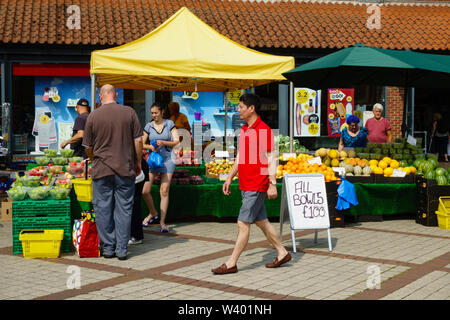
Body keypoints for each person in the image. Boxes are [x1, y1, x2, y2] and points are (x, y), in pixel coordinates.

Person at [211, 93, 291, 275]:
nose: (238, 110)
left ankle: (231, 263)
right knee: (262, 221)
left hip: (257, 183)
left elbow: (272, 158)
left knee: (242, 223)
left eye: (240, 107)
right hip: (246, 183)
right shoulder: (245, 130)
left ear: (251, 108)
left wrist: (271, 183)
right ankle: (282, 252)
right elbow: (240, 156)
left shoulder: (264, 130)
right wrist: (230, 176)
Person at [82, 84, 143, 261]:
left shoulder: (93, 115)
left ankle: (108, 248)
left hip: (101, 169)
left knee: (103, 209)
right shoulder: (129, 112)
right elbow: (138, 142)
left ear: (101, 97)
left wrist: (94, 159)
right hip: (125, 168)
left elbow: (87, 147)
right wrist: (138, 161)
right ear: (116, 95)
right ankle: (122, 249)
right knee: (124, 209)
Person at [141, 103, 180, 233]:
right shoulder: (149, 126)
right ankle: (153, 213)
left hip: (168, 159)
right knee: (145, 190)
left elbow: (176, 141)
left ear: (162, 112)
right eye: (152, 113)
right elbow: (141, 143)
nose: (154, 116)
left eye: (156, 113)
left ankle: (162, 222)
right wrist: (150, 147)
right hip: (153, 160)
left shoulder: (170, 124)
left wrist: (164, 142)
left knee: (164, 191)